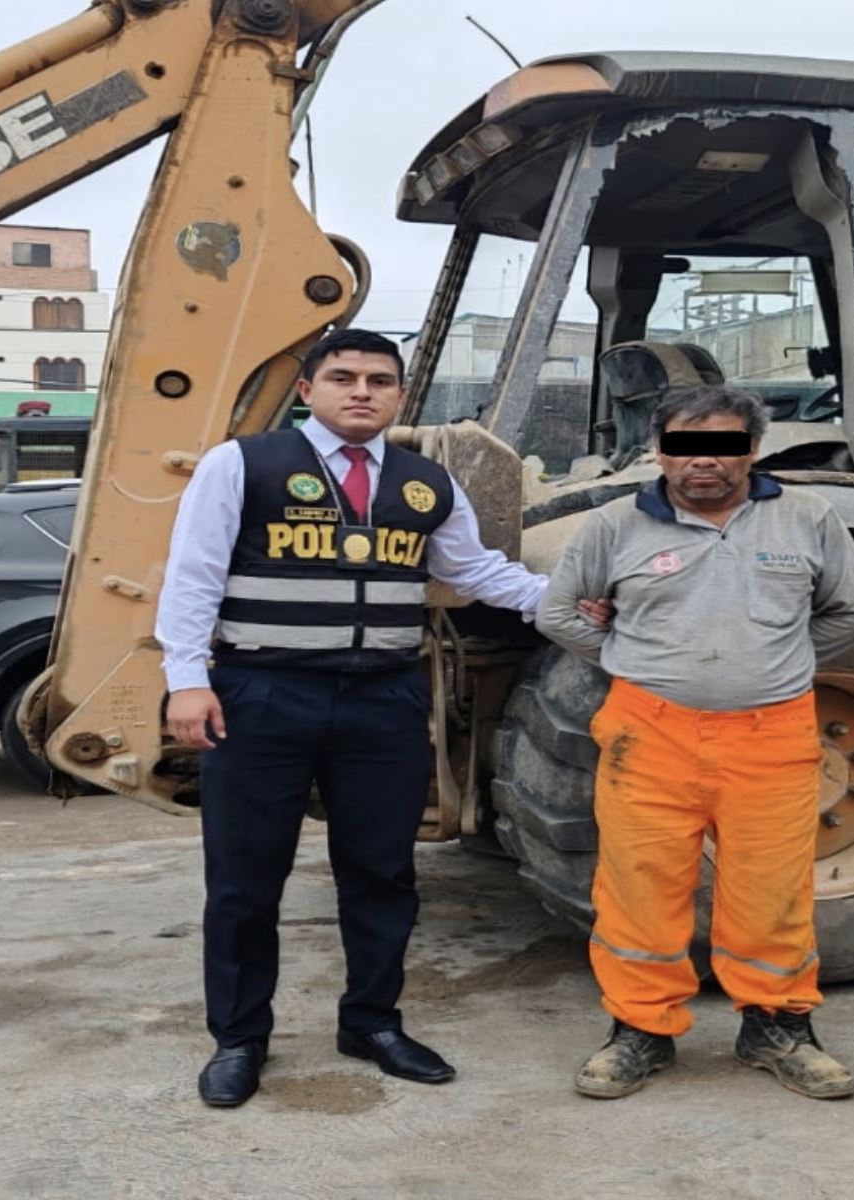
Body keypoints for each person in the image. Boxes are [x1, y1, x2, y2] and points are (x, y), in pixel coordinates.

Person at [156, 329, 553, 1108]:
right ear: (308, 390)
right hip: (261, 696)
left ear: (401, 395)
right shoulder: (243, 464)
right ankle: (240, 1038)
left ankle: (371, 1021)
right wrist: (184, 679)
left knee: (380, 874)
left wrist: (570, 604)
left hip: (384, 701)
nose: (361, 391)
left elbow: (472, 571)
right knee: (245, 880)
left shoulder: (425, 482)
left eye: (379, 379)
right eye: (343, 377)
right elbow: (193, 573)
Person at [536, 384, 854, 1102]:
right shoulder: (613, 524)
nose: (704, 464)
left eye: (724, 447)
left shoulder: (807, 517)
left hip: (773, 735)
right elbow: (558, 612)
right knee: (639, 887)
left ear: (754, 449)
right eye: (684, 448)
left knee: (772, 891)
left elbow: (852, 610)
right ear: (658, 452)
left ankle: (778, 1027)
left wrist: (781, 658)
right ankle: (641, 1031)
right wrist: (629, 657)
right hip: (647, 733)